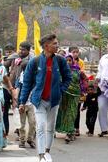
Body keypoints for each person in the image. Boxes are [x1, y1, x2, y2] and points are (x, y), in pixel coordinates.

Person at [19, 34, 72, 162]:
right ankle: (41, 154)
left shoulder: (60, 60)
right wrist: (22, 101)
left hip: (54, 101)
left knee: (51, 127)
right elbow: (27, 83)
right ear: (46, 46)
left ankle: (47, 151)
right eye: (54, 43)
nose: (57, 45)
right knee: (41, 126)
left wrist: (60, 90)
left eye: (57, 43)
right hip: (39, 100)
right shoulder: (35, 61)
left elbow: (68, 78)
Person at [55, 54, 87, 144]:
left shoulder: (78, 71)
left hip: (75, 95)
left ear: (73, 61)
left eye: (70, 60)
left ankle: (69, 133)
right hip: (64, 94)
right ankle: (60, 130)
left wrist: (84, 89)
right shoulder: (61, 71)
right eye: (66, 60)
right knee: (63, 112)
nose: (68, 62)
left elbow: (85, 80)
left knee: (72, 113)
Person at [16, 58, 36, 148]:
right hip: (22, 104)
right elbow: (17, 90)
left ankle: (30, 139)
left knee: (32, 122)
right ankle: (22, 140)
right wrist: (18, 102)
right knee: (22, 124)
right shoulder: (20, 79)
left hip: (31, 104)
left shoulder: (34, 78)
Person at [69, 46, 85, 136]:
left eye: (77, 52)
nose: (75, 54)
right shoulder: (66, 60)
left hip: (77, 88)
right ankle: (68, 128)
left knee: (76, 109)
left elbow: (82, 74)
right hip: (67, 89)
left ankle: (76, 128)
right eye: (73, 52)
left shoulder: (81, 62)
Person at [96, 42, 108, 137]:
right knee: (101, 107)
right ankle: (104, 129)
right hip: (103, 87)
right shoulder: (103, 58)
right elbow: (100, 70)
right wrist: (98, 78)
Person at [2, 43, 16, 135]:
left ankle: (20, 130)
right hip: (6, 88)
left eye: (10, 52)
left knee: (18, 110)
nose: (8, 54)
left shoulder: (17, 58)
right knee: (5, 111)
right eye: (6, 52)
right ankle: (5, 131)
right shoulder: (3, 62)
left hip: (16, 87)